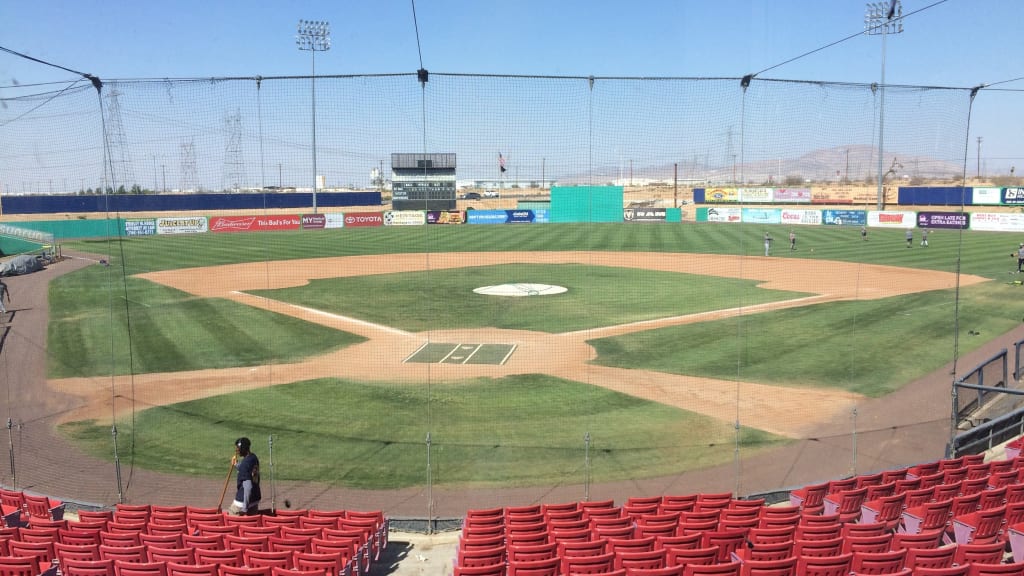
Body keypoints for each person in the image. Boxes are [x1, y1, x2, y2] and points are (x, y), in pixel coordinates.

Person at [228, 437, 261, 516]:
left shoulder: (245, 464)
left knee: (230, 517)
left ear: (244, 449)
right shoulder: (253, 457)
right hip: (254, 499)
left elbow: (248, 486)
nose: (237, 450)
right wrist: (237, 464)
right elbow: (248, 471)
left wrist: (244, 508)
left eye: (238, 448)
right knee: (250, 525)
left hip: (242, 502)